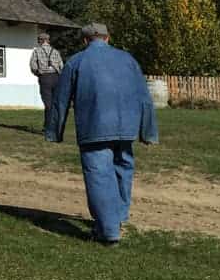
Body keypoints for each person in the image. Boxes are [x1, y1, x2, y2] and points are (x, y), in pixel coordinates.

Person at [45, 23, 158, 246]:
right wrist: (148, 132)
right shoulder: (128, 60)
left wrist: (54, 131)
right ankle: (118, 217)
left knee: (99, 175)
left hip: (93, 126)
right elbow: (145, 97)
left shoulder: (76, 61)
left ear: (85, 41)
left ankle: (108, 232)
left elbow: (60, 100)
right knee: (122, 170)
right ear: (108, 38)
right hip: (126, 128)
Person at [30, 32, 63, 129]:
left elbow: (33, 66)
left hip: (45, 78)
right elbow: (61, 66)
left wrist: (38, 74)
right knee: (54, 102)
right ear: (48, 41)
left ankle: (49, 127)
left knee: (48, 104)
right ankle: (54, 125)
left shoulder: (36, 51)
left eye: (39, 40)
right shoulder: (56, 51)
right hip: (56, 77)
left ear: (41, 40)